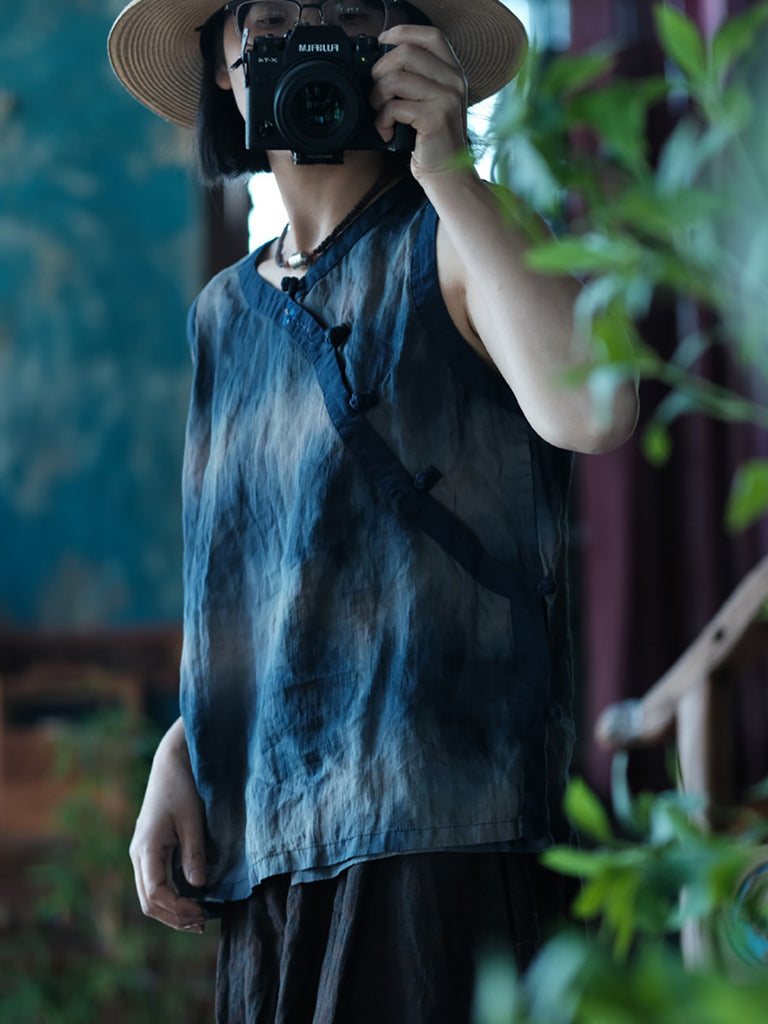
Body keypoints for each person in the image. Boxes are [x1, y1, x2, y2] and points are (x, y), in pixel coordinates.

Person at [108, 1, 639, 1021]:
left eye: (350, 11)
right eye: (272, 17)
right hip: (271, 848)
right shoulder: (222, 315)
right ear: (221, 62)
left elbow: (596, 410)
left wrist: (452, 171)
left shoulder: (461, 237)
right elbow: (262, 574)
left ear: (404, 40)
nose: (312, 39)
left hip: (441, 833)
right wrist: (186, 741)